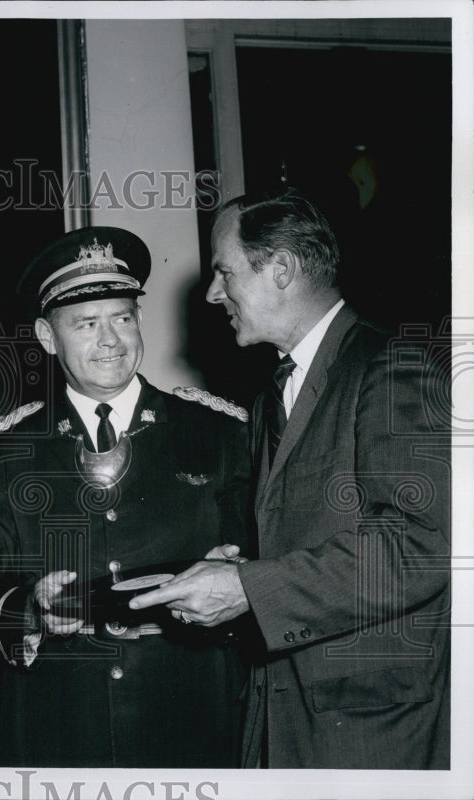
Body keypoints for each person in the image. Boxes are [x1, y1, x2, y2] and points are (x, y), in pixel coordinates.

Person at [130, 189, 451, 769]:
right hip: (288, 719)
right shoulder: (270, 397)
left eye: (224, 272)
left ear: (280, 269)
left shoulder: (391, 368)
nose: (211, 292)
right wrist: (236, 568)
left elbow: (419, 547)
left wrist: (249, 589)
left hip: (373, 732)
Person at [0, 226, 251, 767]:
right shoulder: (3, 451)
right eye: (87, 323)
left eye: (123, 318)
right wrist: (30, 613)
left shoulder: (220, 432)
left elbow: (263, 567)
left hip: (189, 709)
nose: (110, 341)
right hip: (57, 718)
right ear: (45, 335)